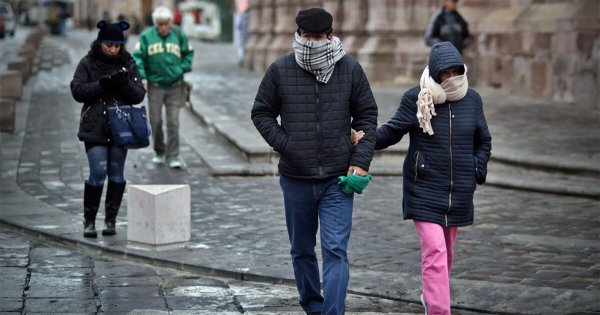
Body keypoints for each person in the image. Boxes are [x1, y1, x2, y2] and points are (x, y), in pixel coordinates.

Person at [251, 8, 378, 315]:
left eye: (319, 37)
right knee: (302, 250)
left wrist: (360, 160)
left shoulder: (350, 68)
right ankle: (312, 306)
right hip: (296, 178)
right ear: (299, 35)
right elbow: (261, 112)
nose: (314, 43)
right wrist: (287, 144)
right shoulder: (280, 70)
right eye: (308, 37)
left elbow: (368, 117)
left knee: (335, 249)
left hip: (338, 179)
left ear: (330, 36)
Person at [355, 42, 491, 314]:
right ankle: (439, 310)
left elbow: (483, 141)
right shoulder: (417, 98)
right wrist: (364, 138)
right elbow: (392, 132)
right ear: (436, 72)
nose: (452, 77)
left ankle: (430, 295)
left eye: (456, 71)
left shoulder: (472, 100)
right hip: (425, 189)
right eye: (446, 72)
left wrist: (476, 169)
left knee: (446, 255)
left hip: (459, 192)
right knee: (436, 253)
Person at [70, 20, 146, 238]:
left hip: (121, 127)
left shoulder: (128, 63)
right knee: (98, 171)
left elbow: (139, 94)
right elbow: (77, 90)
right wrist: (103, 84)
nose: (113, 49)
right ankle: (90, 221)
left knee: (117, 174)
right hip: (95, 126)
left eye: (117, 46)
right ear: (100, 43)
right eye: (108, 45)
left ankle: (110, 220)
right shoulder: (88, 63)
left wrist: (123, 83)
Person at [133, 6, 194, 169]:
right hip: (155, 85)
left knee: (173, 122)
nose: (164, 27)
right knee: (156, 121)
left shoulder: (179, 34)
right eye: (160, 24)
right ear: (155, 24)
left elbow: (189, 53)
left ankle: (173, 155)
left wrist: (181, 69)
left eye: (166, 23)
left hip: (175, 85)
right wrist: (143, 77)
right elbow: (138, 57)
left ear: (170, 23)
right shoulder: (147, 36)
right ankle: (159, 150)